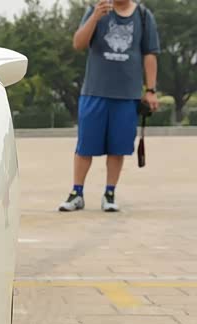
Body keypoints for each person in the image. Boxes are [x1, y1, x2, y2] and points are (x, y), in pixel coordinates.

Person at [59, 0, 160, 213]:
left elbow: (150, 54)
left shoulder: (143, 16)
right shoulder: (96, 10)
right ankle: (77, 193)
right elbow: (78, 43)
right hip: (94, 91)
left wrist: (151, 90)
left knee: (118, 147)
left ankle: (109, 193)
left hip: (127, 95)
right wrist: (95, 17)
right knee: (85, 146)